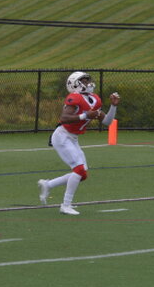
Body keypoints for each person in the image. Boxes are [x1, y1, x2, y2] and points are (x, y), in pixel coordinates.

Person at [38, 71, 120, 215]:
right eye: (84, 81)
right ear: (75, 84)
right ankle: (65, 205)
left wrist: (113, 106)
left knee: (82, 175)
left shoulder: (94, 99)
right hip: (62, 136)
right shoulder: (74, 97)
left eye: (88, 80)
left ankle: (48, 184)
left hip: (73, 138)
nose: (88, 83)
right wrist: (85, 115)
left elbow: (107, 122)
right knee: (79, 170)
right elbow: (64, 118)